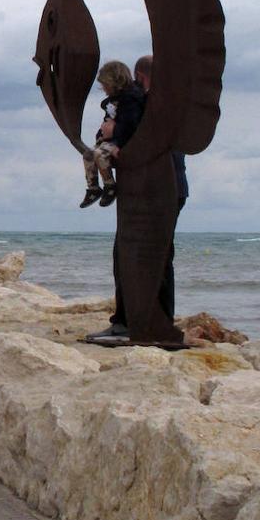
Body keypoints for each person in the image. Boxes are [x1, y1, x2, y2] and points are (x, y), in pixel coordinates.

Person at [91, 55, 187, 340]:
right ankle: (141, 321)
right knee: (148, 255)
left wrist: (115, 133)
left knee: (144, 255)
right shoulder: (158, 105)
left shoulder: (150, 107)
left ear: (142, 78)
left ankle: (143, 323)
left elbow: (141, 147)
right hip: (159, 191)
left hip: (157, 193)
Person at [80, 60, 146, 208]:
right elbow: (108, 121)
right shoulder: (113, 101)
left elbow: (130, 125)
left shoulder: (131, 100)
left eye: (105, 86)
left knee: (99, 154)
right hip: (110, 139)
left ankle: (110, 186)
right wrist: (100, 136)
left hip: (122, 140)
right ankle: (93, 187)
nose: (103, 89)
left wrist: (116, 141)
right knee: (88, 153)